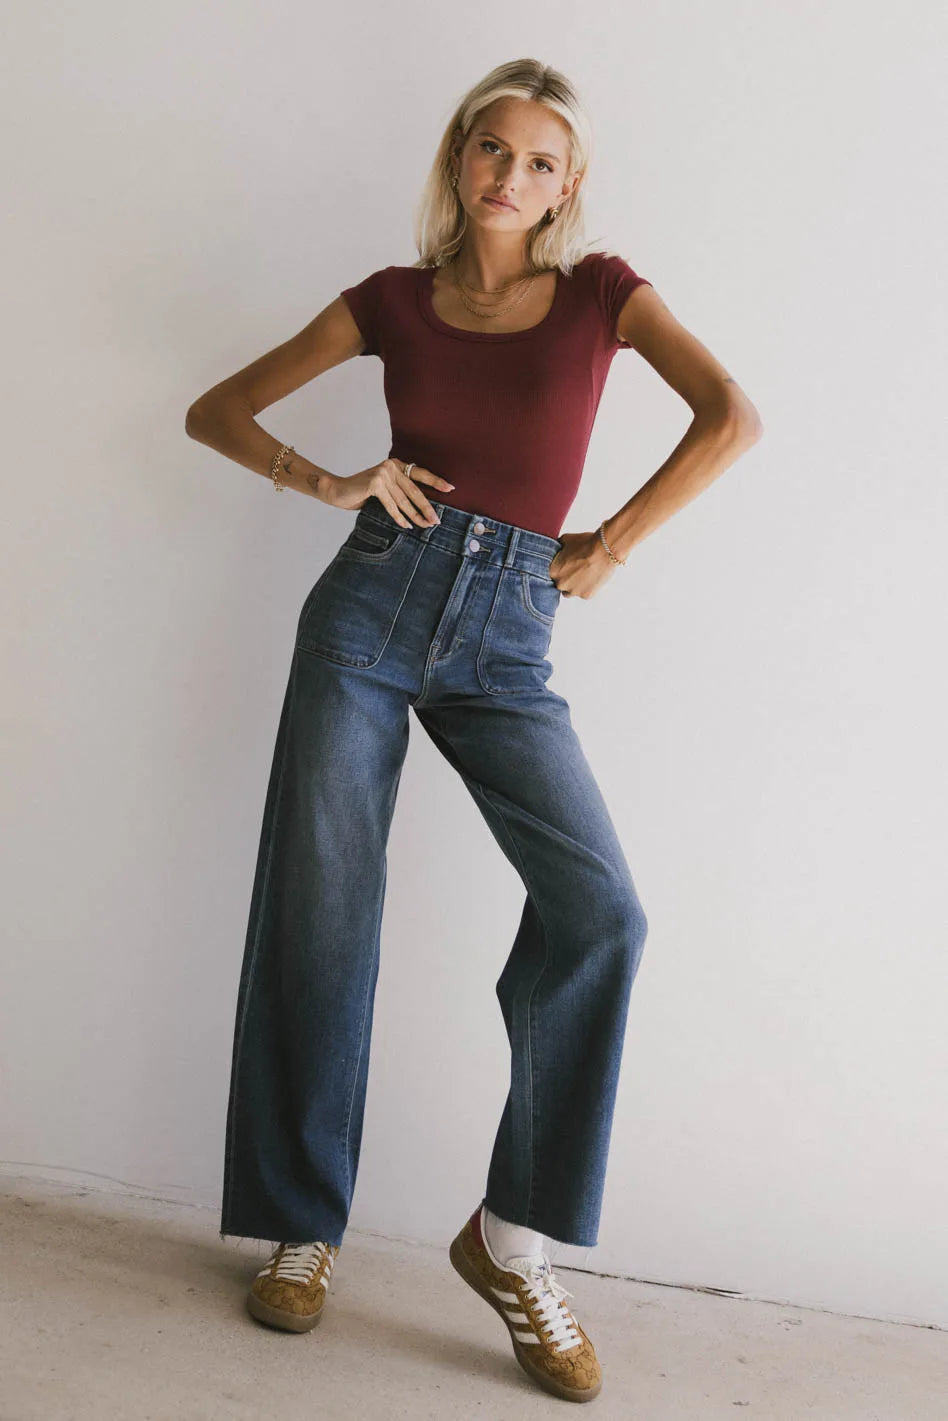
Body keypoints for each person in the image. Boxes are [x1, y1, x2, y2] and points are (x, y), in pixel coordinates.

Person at [185, 56, 762, 1405]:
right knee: (323, 912)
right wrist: (329, 479)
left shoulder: (605, 294)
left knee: (601, 909)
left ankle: (513, 1241)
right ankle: (302, 1228)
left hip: (511, 635)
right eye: (492, 149)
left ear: (569, 186)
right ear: (458, 158)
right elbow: (216, 410)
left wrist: (613, 542)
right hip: (370, 610)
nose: (512, 176)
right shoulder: (392, 301)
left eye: (540, 161)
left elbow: (731, 416)